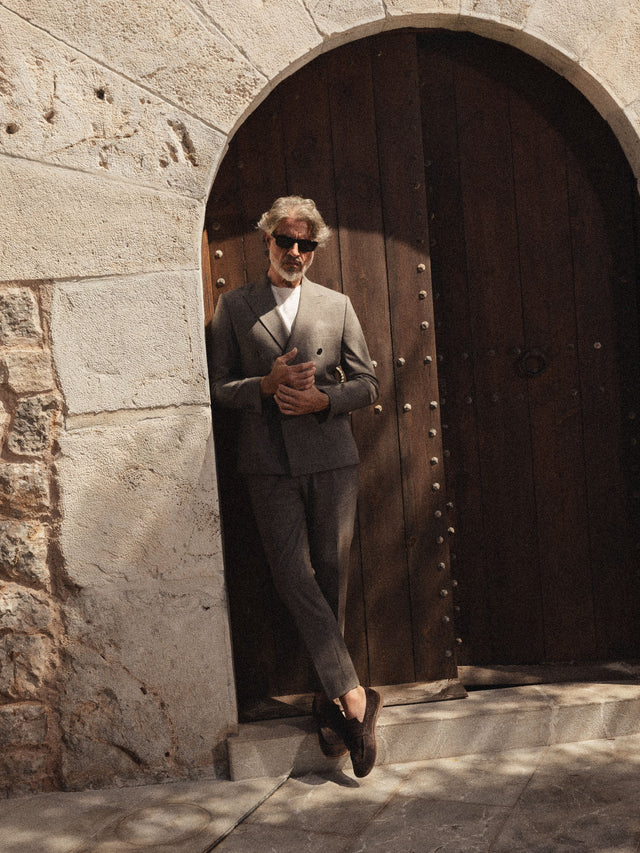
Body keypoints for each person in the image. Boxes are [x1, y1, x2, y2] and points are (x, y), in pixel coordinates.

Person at [207, 196, 382, 777]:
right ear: (268, 240)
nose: (296, 252)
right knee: (292, 575)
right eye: (286, 240)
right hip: (268, 464)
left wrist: (322, 400)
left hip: (331, 460)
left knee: (331, 578)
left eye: (306, 244)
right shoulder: (234, 306)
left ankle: (330, 705)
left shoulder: (337, 305)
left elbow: (369, 384)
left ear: (315, 249)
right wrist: (265, 385)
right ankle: (353, 695)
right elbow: (216, 387)